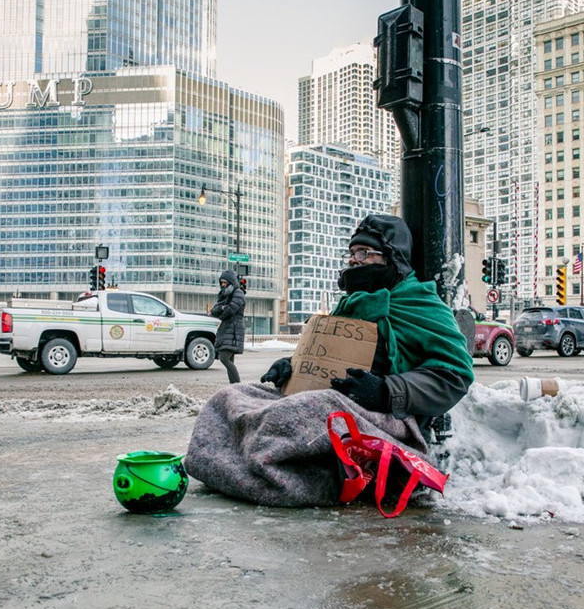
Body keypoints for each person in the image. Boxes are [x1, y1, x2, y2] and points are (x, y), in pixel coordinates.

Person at [185, 214, 474, 508]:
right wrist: (292, 367)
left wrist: (386, 390)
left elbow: (456, 375)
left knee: (312, 409)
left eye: (364, 253)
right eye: (351, 253)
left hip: (388, 418)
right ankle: (251, 463)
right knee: (230, 396)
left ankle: (263, 469)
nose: (353, 260)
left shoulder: (421, 304)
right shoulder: (350, 303)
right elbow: (326, 355)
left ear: (392, 258)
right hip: (332, 402)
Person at [210, 270, 246, 384]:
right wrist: (222, 308)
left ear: (231, 282)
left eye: (225, 282)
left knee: (224, 358)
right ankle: (234, 386)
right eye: (221, 282)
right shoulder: (223, 294)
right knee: (229, 359)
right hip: (226, 328)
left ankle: (238, 385)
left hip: (234, 329)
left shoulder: (238, 293)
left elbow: (231, 309)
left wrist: (222, 311)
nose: (223, 285)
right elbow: (214, 310)